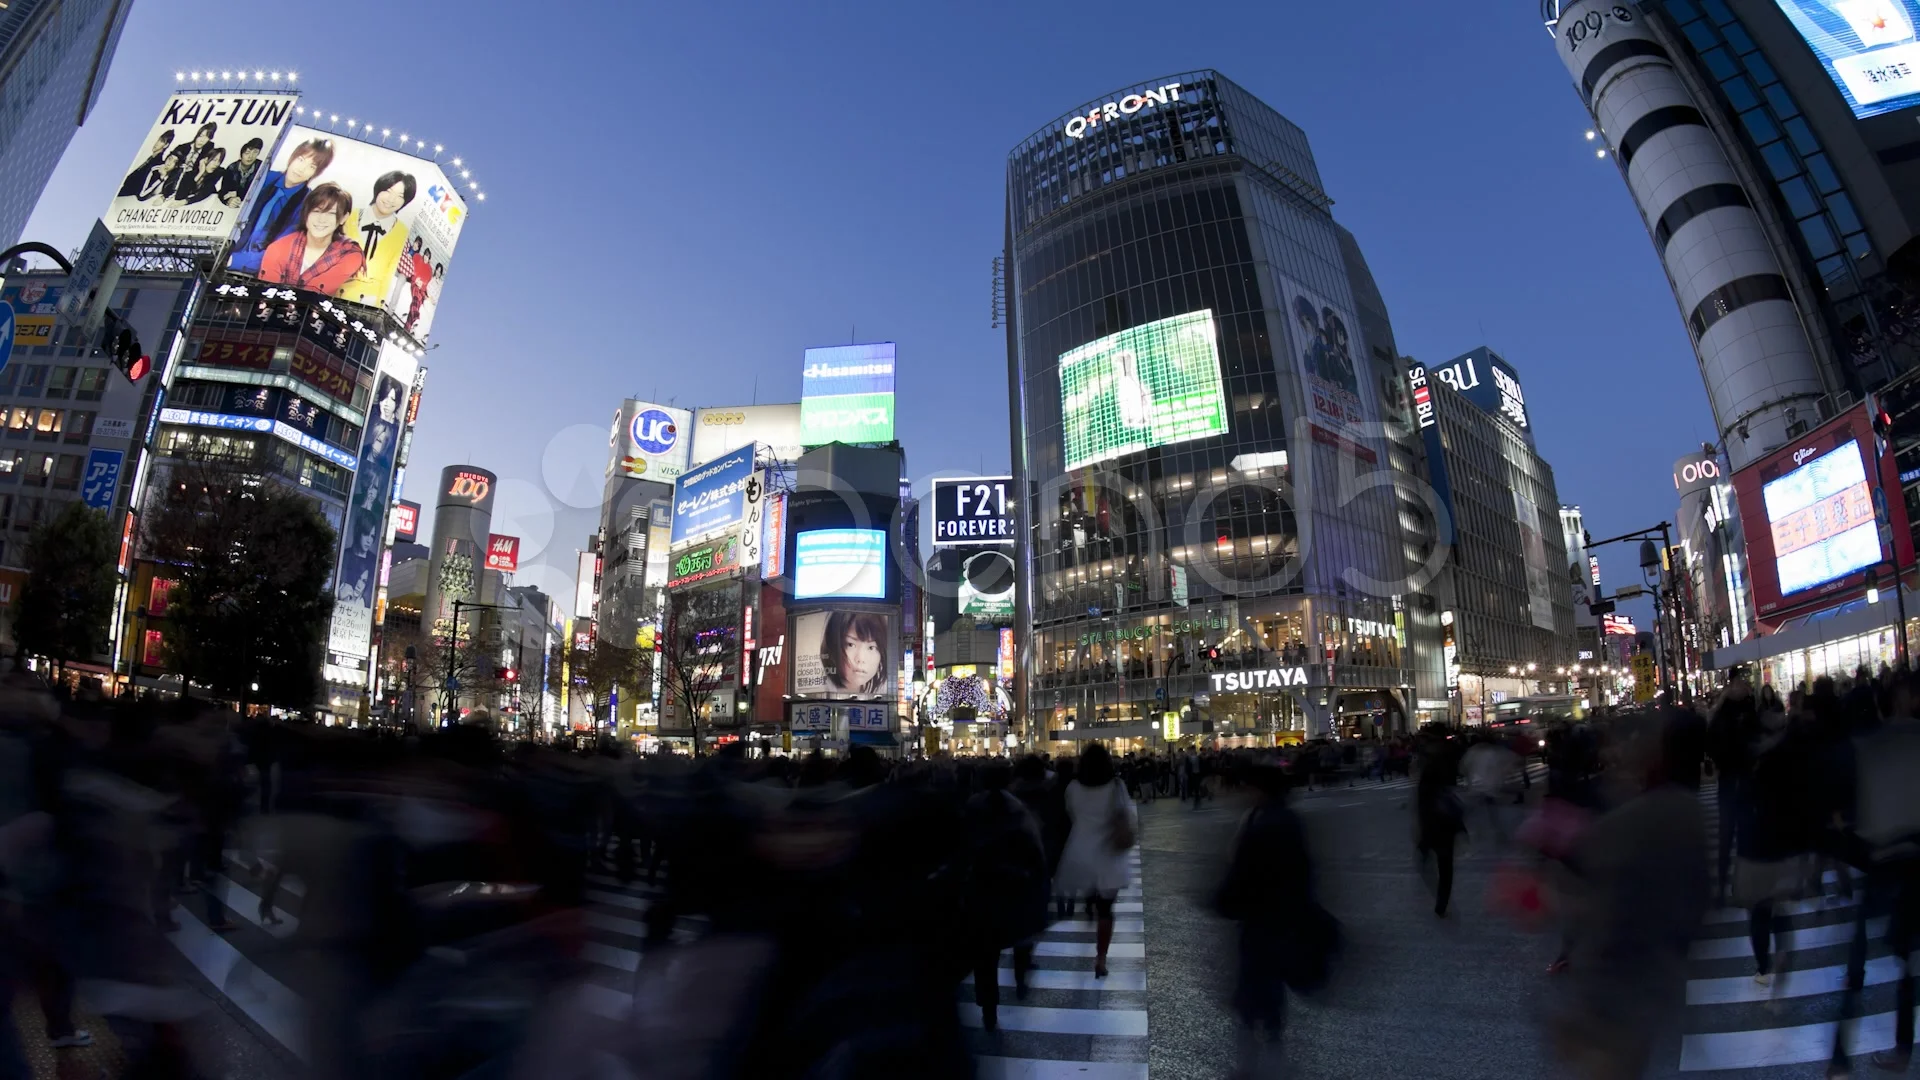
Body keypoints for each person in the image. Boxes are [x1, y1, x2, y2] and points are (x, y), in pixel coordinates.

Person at [1548, 712, 1709, 1079]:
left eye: (1620, 744)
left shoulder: (1638, 815)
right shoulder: (1678, 806)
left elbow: (1603, 900)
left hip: (1622, 983)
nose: (1614, 752)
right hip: (1647, 976)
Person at [1215, 759, 1332, 1080]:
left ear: (1258, 790)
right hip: (1281, 917)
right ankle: (1268, 1057)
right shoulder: (1284, 819)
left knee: (1255, 987)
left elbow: (1244, 872)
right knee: (1267, 990)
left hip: (1262, 918)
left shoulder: (1264, 823)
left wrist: (1225, 901)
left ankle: (1253, 1063)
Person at [961, 761, 1049, 1031]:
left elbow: (961, 844)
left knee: (985, 953)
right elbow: (1034, 848)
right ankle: (1020, 977)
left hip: (981, 885)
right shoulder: (1017, 808)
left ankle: (989, 1008)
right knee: (1019, 935)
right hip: (1013, 883)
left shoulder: (972, 807)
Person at [1055, 743, 1136, 977]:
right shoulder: (1116, 786)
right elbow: (1127, 814)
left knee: (1092, 895)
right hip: (1110, 853)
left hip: (1082, 850)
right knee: (1106, 911)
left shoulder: (1073, 787)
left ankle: (1089, 901)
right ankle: (1101, 958)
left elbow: (1071, 813)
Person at [230, 138, 336, 275]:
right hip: (226, 249)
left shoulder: (306, 205)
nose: (301, 169)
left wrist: (234, 260)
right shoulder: (264, 178)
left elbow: (282, 250)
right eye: (301, 159)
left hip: (256, 270)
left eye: (312, 166)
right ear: (293, 157)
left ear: (316, 173)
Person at [1708, 674, 1762, 899]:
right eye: (1738, 684)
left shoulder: (1745, 710)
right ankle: (1725, 884)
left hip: (1740, 777)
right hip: (1734, 777)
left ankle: (1734, 884)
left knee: (1736, 833)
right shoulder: (1727, 713)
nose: (1742, 687)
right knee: (1731, 833)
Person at [259, 183, 367, 295]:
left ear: (344, 218)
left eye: (331, 213)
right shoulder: (278, 248)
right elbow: (267, 293)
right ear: (306, 213)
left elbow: (314, 292)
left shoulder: (350, 254)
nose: (321, 219)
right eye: (316, 211)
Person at [338, 170, 417, 307]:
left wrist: (378, 306)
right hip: (334, 293)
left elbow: (388, 273)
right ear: (379, 189)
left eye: (400, 196)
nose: (391, 200)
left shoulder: (402, 232)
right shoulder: (350, 216)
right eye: (388, 191)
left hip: (367, 302)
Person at [1416, 734, 1465, 916]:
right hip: (1446, 826)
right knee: (1446, 867)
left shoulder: (1428, 775)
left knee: (1428, 864)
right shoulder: (1448, 770)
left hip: (1432, 827)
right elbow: (1454, 798)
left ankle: (1440, 901)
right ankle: (1441, 902)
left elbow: (1422, 805)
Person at [819, 611, 888, 698]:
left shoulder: (884, 690)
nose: (861, 659)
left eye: (871, 648)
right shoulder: (820, 690)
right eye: (850, 645)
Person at [117, 129, 176, 197]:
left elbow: (141, 188)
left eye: (161, 141)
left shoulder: (157, 163)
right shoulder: (151, 159)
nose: (157, 143)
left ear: (166, 145)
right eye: (158, 140)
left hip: (127, 195)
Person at [216, 138, 265, 208]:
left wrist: (238, 194)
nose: (250, 156)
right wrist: (229, 200)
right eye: (247, 153)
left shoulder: (261, 167)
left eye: (255, 152)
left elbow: (258, 191)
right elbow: (223, 191)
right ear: (241, 155)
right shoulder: (231, 168)